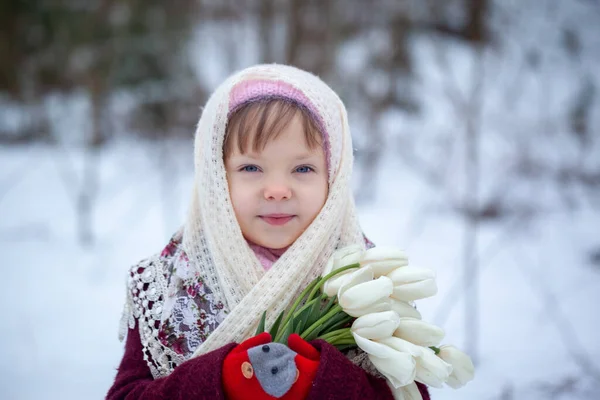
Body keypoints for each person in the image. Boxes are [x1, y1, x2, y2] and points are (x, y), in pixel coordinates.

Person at [107, 64, 430, 399]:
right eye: (250, 167)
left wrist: (323, 381)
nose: (277, 190)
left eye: (303, 168)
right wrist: (220, 380)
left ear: (333, 178)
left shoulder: (369, 280)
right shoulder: (168, 285)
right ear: (216, 177)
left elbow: (409, 392)